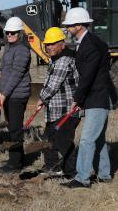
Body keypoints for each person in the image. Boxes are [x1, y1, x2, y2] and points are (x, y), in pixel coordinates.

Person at [61, 7, 117, 188]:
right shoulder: (90, 42)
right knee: (98, 138)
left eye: (69, 25)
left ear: (78, 25)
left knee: (86, 140)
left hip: (98, 98)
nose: (68, 28)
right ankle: (105, 174)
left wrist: (77, 99)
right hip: (95, 97)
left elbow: (88, 77)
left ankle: (82, 178)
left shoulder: (90, 45)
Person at [37, 27, 78, 178]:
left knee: (63, 141)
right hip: (55, 108)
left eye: (53, 44)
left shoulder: (65, 60)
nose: (49, 47)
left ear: (62, 43)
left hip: (67, 109)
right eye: (48, 44)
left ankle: (71, 173)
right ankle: (52, 167)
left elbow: (53, 84)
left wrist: (42, 98)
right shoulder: (56, 59)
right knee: (49, 138)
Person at [0, 17, 31, 173]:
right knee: (12, 128)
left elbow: (16, 74)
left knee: (16, 130)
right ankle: (17, 158)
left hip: (17, 95)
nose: (9, 35)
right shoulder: (9, 47)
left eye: (13, 33)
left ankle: (15, 165)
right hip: (9, 94)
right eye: (8, 33)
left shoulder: (22, 50)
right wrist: (2, 92)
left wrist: (4, 93)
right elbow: (6, 72)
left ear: (20, 33)